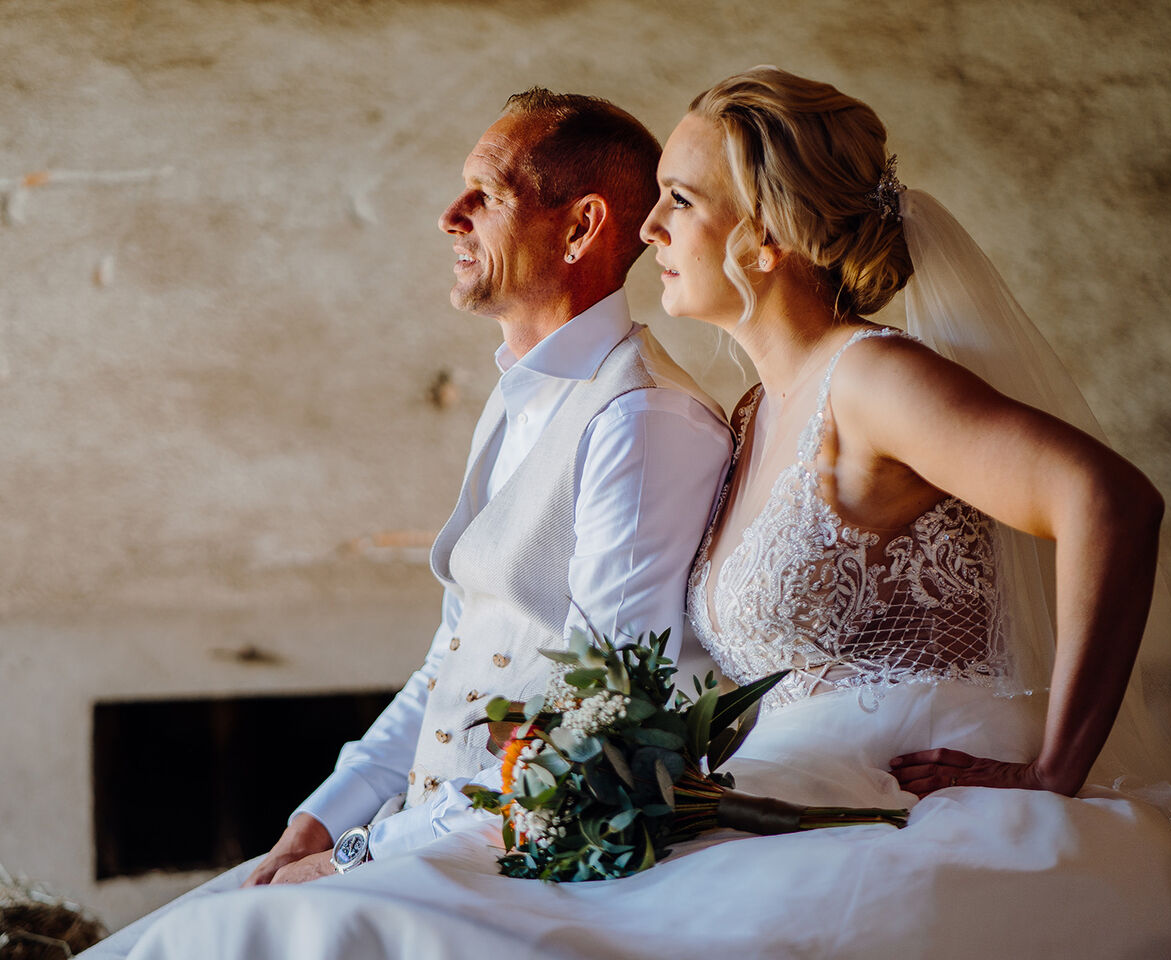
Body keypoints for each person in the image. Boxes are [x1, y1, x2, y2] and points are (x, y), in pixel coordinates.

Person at [115, 70, 1171, 960]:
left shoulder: (874, 379)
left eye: (679, 198)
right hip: (783, 786)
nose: (646, 225)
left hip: (900, 790)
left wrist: (1055, 768)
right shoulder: (753, 413)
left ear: (764, 235)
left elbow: (1109, 499)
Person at [81, 89, 731, 958]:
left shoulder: (643, 422)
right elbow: (449, 661)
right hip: (420, 833)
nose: (449, 216)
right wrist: (324, 818)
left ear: (580, 228)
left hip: (517, 865)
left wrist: (360, 855)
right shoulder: (519, 393)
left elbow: (599, 725)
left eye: (486, 194)